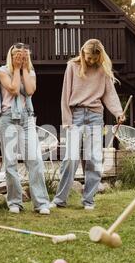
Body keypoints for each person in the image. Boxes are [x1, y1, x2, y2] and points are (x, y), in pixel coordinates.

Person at [50, 39, 125, 210]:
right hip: (76, 115)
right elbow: (65, 95)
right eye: (88, 58)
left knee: (93, 158)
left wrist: (118, 112)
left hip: (95, 116)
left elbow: (110, 95)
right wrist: (67, 120)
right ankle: (60, 199)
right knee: (70, 158)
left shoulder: (102, 69)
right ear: (83, 53)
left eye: (94, 59)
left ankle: (88, 200)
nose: (91, 61)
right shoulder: (72, 66)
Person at [0, 43, 51, 215]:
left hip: (26, 118)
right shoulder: (2, 71)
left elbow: (29, 90)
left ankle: (41, 203)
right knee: (10, 162)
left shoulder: (31, 72)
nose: (20, 57)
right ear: (10, 56)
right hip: (7, 117)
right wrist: (17, 69)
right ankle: (14, 202)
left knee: (34, 160)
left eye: (23, 54)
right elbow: (12, 89)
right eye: (17, 54)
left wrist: (24, 68)